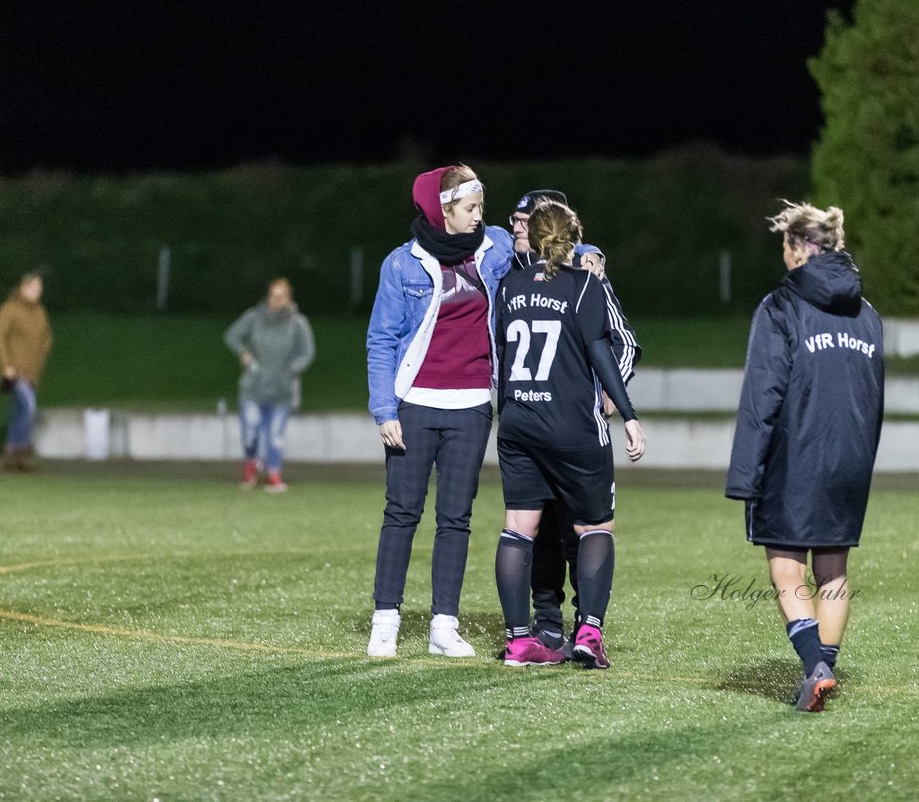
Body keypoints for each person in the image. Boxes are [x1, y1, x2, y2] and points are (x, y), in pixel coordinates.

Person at [365, 165, 603, 659]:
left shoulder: (491, 246)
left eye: (480, 207)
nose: (482, 217)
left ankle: (443, 627)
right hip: (414, 404)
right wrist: (384, 409)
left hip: (472, 405)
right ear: (444, 211)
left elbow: (548, 241)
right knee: (401, 514)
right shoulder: (401, 264)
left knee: (456, 518)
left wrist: (588, 253)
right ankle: (385, 621)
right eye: (472, 208)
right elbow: (381, 341)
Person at [725, 201, 884, 712]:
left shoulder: (781, 306)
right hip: (850, 460)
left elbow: (761, 397)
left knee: (788, 570)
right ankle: (823, 670)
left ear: (797, 249)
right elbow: (874, 395)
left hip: (795, 458)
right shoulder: (868, 313)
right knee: (833, 570)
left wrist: (745, 475)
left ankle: (815, 665)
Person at [493, 198, 645, 669]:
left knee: (519, 529)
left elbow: (500, 352)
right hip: (571, 425)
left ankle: (520, 641)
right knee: (595, 525)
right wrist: (630, 413)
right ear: (572, 238)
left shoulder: (508, 285)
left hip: (518, 423)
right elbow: (603, 351)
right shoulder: (584, 285)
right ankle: (590, 633)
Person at [224, 278, 316, 493]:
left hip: (282, 391)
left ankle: (273, 473)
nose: (277, 301)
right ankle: (251, 465)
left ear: (288, 298)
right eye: (274, 296)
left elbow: (307, 353)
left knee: (275, 436)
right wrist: (244, 353)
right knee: (250, 433)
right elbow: (232, 336)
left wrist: (291, 369)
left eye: (282, 296)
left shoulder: (298, 323)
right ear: (268, 297)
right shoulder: (254, 317)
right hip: (253, 388)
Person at [0, 271, 52, 472]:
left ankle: (12, 454)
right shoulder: (10, 309)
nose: (38, 291)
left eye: (40, 288)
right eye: (35, 287)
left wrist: (42, 356)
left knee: (18, 412)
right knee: (28, 407)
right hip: (15, 372)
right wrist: (6, 365)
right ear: (24, 288)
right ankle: (23, 448)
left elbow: (46, 337)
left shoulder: (40, 312)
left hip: (32, 372)